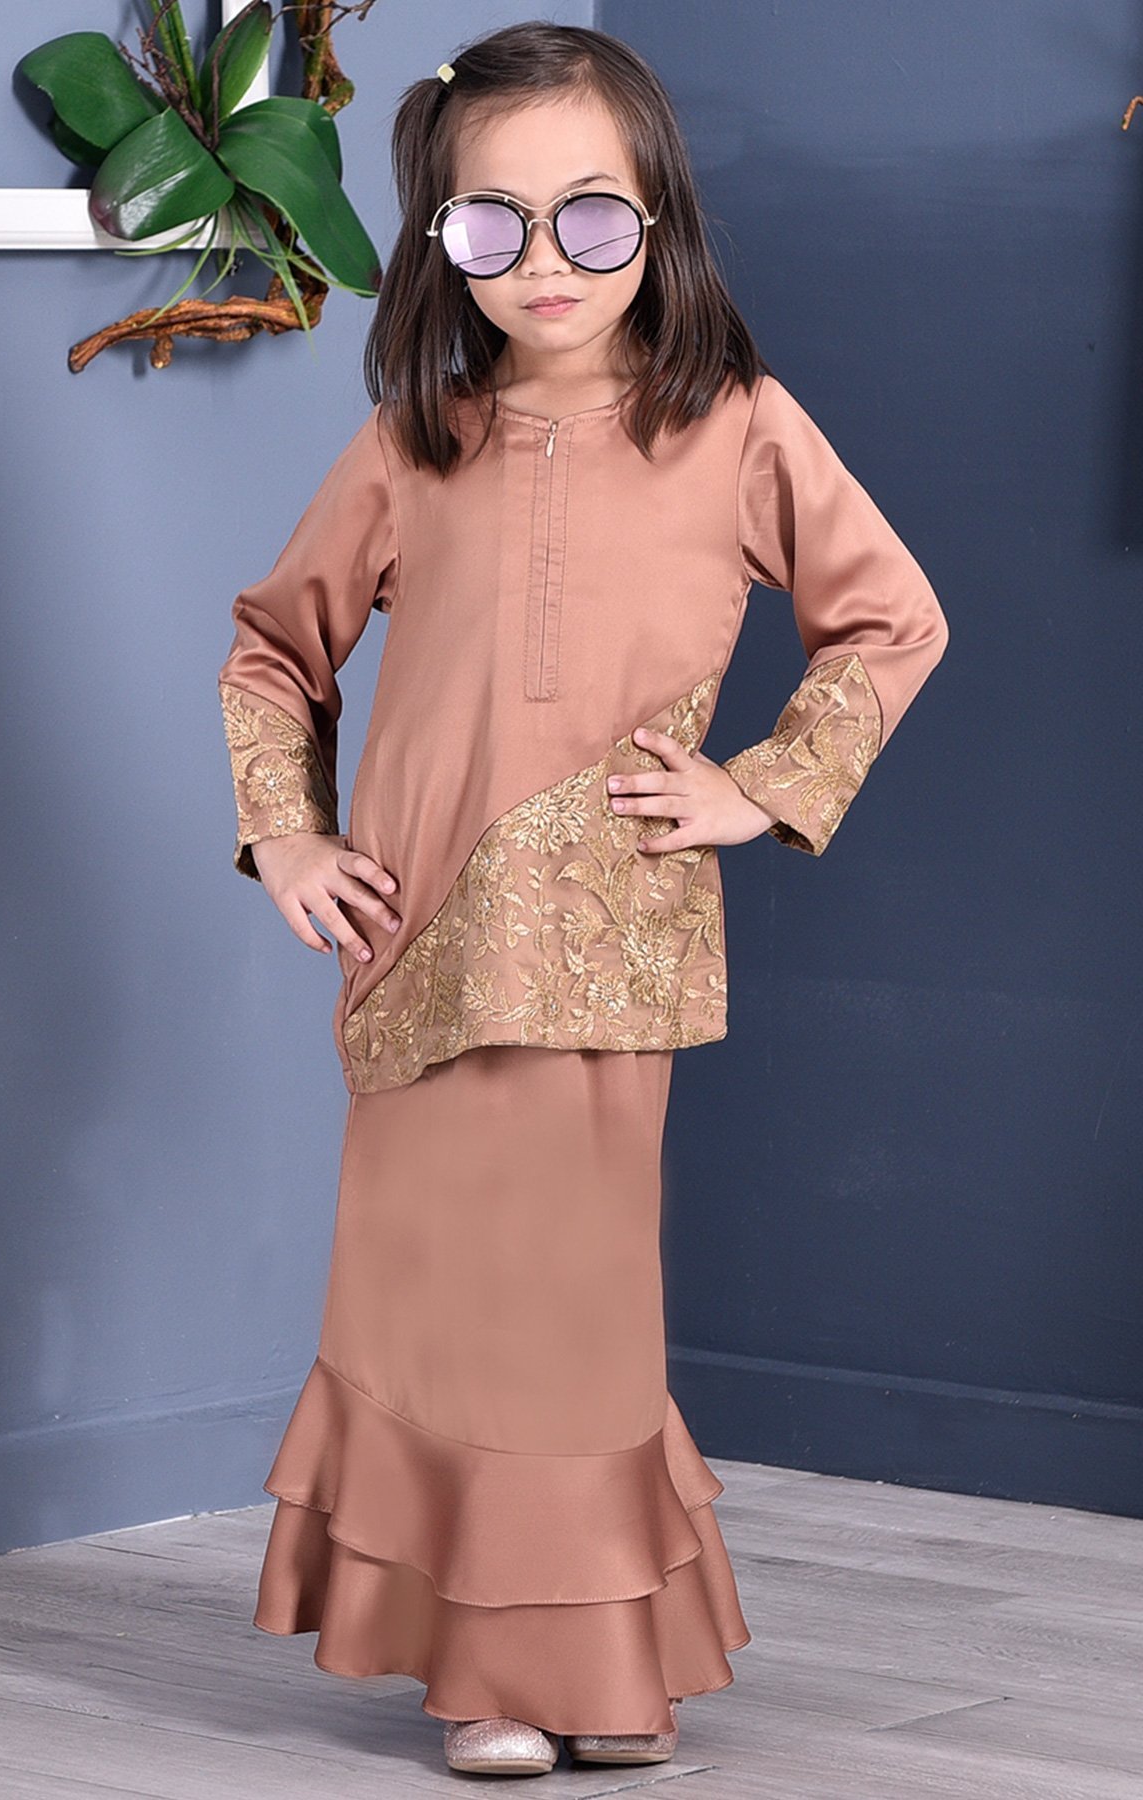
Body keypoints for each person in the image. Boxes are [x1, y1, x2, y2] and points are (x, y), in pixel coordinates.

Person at [216, 19, 949, 1780]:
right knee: (435, 1311)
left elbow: (889, 618)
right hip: (416, 954)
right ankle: (491, 1677)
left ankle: (592, 1672)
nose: (544, 261)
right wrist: (288, 840)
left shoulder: (737, 427)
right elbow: (274, 650)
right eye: (494, 224)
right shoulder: (413, 442)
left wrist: (759, 787)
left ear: (659, 218)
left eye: (591, 217)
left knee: (571, 1319)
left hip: (612, 948)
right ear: (442, 241)